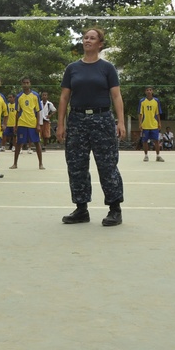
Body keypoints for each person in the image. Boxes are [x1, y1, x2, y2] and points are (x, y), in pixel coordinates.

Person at [57, 27, 126, 226]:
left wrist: (120, 122)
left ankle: (115, 209)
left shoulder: (107, 68)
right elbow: (64, 97)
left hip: (102, 120)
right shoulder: (72, 68)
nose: (87, 40)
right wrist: (60, 124)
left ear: (100, 44)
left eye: (92, 38)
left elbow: (116, 96)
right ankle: (81, 209)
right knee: (76, 166)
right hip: (77, 120)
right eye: (85, 37)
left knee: (107, 165)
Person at [11, 77, 44, 170]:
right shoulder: (19, 96)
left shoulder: (35, 95)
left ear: (30, 83)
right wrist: (16, 125)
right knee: (18, 143)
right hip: (22, 123)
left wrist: (38, 124)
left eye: (27, 82)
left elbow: (38, 111)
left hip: (32, 123)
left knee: (37, 143)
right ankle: (15, 163)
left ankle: (40, 163)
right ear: (22, 84)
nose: (26, 84)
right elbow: (17, 112)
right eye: (24, 83)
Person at [139, 86, 164, 162]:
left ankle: (158, 156)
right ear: (145, 92)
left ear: (152, 91)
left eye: (150, 90)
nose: (149, 91)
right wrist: (140, 124)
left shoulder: (156, 101)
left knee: (156, 140)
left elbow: (158, 113)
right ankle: (146, 156)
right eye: (147, 90)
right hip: (145, 124)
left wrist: (159, 123)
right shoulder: (142, 101)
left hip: (154, 124)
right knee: (145, 141)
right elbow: (140, 113)